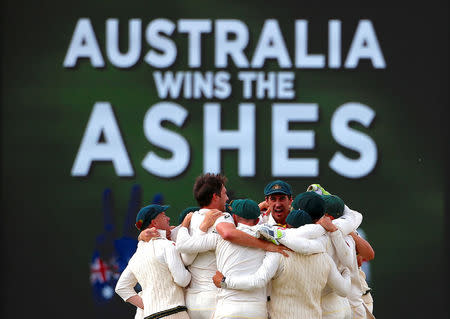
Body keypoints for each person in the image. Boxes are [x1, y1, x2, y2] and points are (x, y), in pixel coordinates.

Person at [214, 209, 351, 319]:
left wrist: (225, 281)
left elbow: (258, 280)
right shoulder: (325, 258)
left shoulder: (278, 253)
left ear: (287, 227)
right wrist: (347, 272)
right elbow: (344, 290)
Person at [115, 204, 191, 319]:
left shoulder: (135, 257)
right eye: (164, 215)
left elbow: (121, 288)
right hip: (175, 314)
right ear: (154, 223)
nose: (168, 218)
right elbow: (182, 280)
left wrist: (149, 306)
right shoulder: (167, 246)